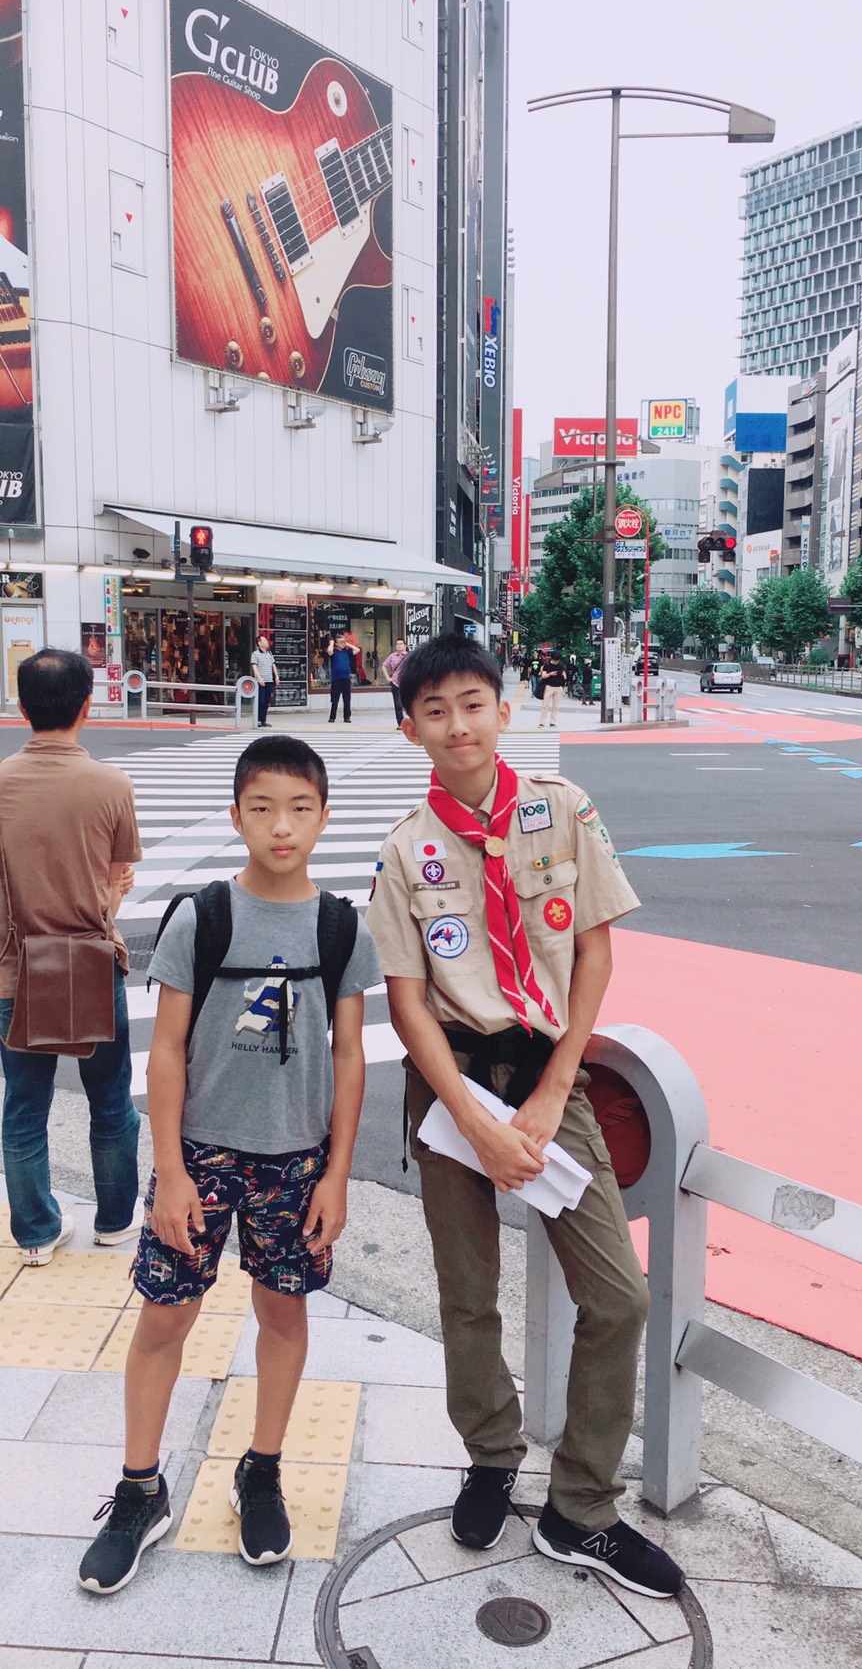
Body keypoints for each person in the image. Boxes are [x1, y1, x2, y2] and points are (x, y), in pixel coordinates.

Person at [366, 636, 684, 1601]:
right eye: (434, 710)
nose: (457, 725)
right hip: (450, 1091)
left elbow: (594, 954)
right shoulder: (405, 849)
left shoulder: (563, 810)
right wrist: (473, 1119)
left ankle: (581, 1507)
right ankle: (491, 1455)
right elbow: (408, 1003)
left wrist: (551, 1093)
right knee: (467, 1293)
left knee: (619, 1298)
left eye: (472, 703)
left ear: (504, 711)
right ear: (410, 729)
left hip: (551, 1082)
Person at [77, 734, 383, 1594]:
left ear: (324, 817)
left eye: (299, 809)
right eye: (262, 808)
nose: (281, 826)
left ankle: (263, 1468)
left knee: (283, 1315)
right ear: (237, 815)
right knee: (164, 1317)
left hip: (298, 1163)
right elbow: (166, 1051)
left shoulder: (339, 928)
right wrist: (171, 1171)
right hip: (203, 1157)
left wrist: (337, 1175)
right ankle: (141, 1489)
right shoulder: (202, 917)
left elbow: (350, 1056)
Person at [0, 649, 141, 1265]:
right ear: (88, 706)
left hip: (13, 970)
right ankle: (114, 1221)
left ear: (21, 706)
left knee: (23, 1106)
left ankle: (35, 1233)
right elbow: (114, 885)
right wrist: (111, 890)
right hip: (90, 966)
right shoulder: (112, 785)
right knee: (110, 1099)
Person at [326, 633, 360, 723]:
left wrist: (347, 644)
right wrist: (331, 643)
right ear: (336, 643)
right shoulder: (334, 652)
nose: (343, 643)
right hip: (336, 679)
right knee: (335, 699)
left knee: (347, 699)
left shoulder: (347, 652)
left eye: (344, 642)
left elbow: (357, 650)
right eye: (341, 642)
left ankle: (347, 717)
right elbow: (329, 651)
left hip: (346, 678)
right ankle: (332, 717)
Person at [251, 634, 279, 729]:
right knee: (261, 701)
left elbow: (273, 665)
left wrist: (276, 676)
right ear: (259, 643)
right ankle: (258, 720)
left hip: (269, 680)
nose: (266, 642)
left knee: (267, 701)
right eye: (264, 640)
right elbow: (254, 667)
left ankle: (264, 720)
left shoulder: (269, 653)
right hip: (260, 682)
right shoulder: (255, 654)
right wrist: (259, 678)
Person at [381, 636, 409, 729]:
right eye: (397, 644)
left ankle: (413, 722)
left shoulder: (409, 656)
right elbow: (384, 665)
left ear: (405, 645)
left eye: (401, 644)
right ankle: (400, 723)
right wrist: (388, 678)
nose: (399, 646)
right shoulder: (392, 656)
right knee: (397, 704)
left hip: (406, 682)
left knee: (409, 703)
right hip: (396, 683)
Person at [537, 651, 566, 729]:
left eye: (558, 660)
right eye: (555, 660)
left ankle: (552, 722)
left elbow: (563, 676)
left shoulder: (561, 666)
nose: (557, 661)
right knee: (545, 705)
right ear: (552, 659)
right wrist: (550, 674)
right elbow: (543, 676)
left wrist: (564, 677)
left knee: (556, 706)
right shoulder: (547, 666)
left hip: (558, 687)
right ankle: (542, 722)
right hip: (549, 687)